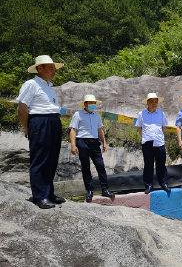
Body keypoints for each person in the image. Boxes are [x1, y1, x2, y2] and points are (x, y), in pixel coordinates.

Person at [16, 55, 66, 209]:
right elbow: (22, 108)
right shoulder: (31, 84)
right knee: (40, 159)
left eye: (54, 68)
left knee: (52, 159)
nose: (54, 71)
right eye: (50, 67)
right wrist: (27, 127)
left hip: (53, 121)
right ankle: (39, 196)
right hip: (39, 121)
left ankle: (49, 193)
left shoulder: (49, 86)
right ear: (40, 68)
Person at [69, 95, 115, 201]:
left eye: (94, 103)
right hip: (82, 142)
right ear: (85, 104)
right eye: (90, 103)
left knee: (100, 165)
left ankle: (105, 189)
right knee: (86, 167)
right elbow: (73, 130)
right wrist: (73, 145)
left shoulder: (96, 115)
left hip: (94, 143)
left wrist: (104, 142)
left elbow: (100, 129)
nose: (93, 105)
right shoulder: (78, 114)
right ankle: (89, 190)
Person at [136, 93, 170, 194]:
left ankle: (163, 184)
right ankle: (149, 185)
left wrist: (159, 136)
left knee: (161, 164)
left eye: (156, 102)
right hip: (147, 142)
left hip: (159, 142)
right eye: (152, 102)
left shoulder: (161, 113)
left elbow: (164, 126)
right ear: (147, 103)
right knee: (148, 164)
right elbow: (139, 128)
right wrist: (145, 137)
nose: (154, 104)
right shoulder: (141, 114)